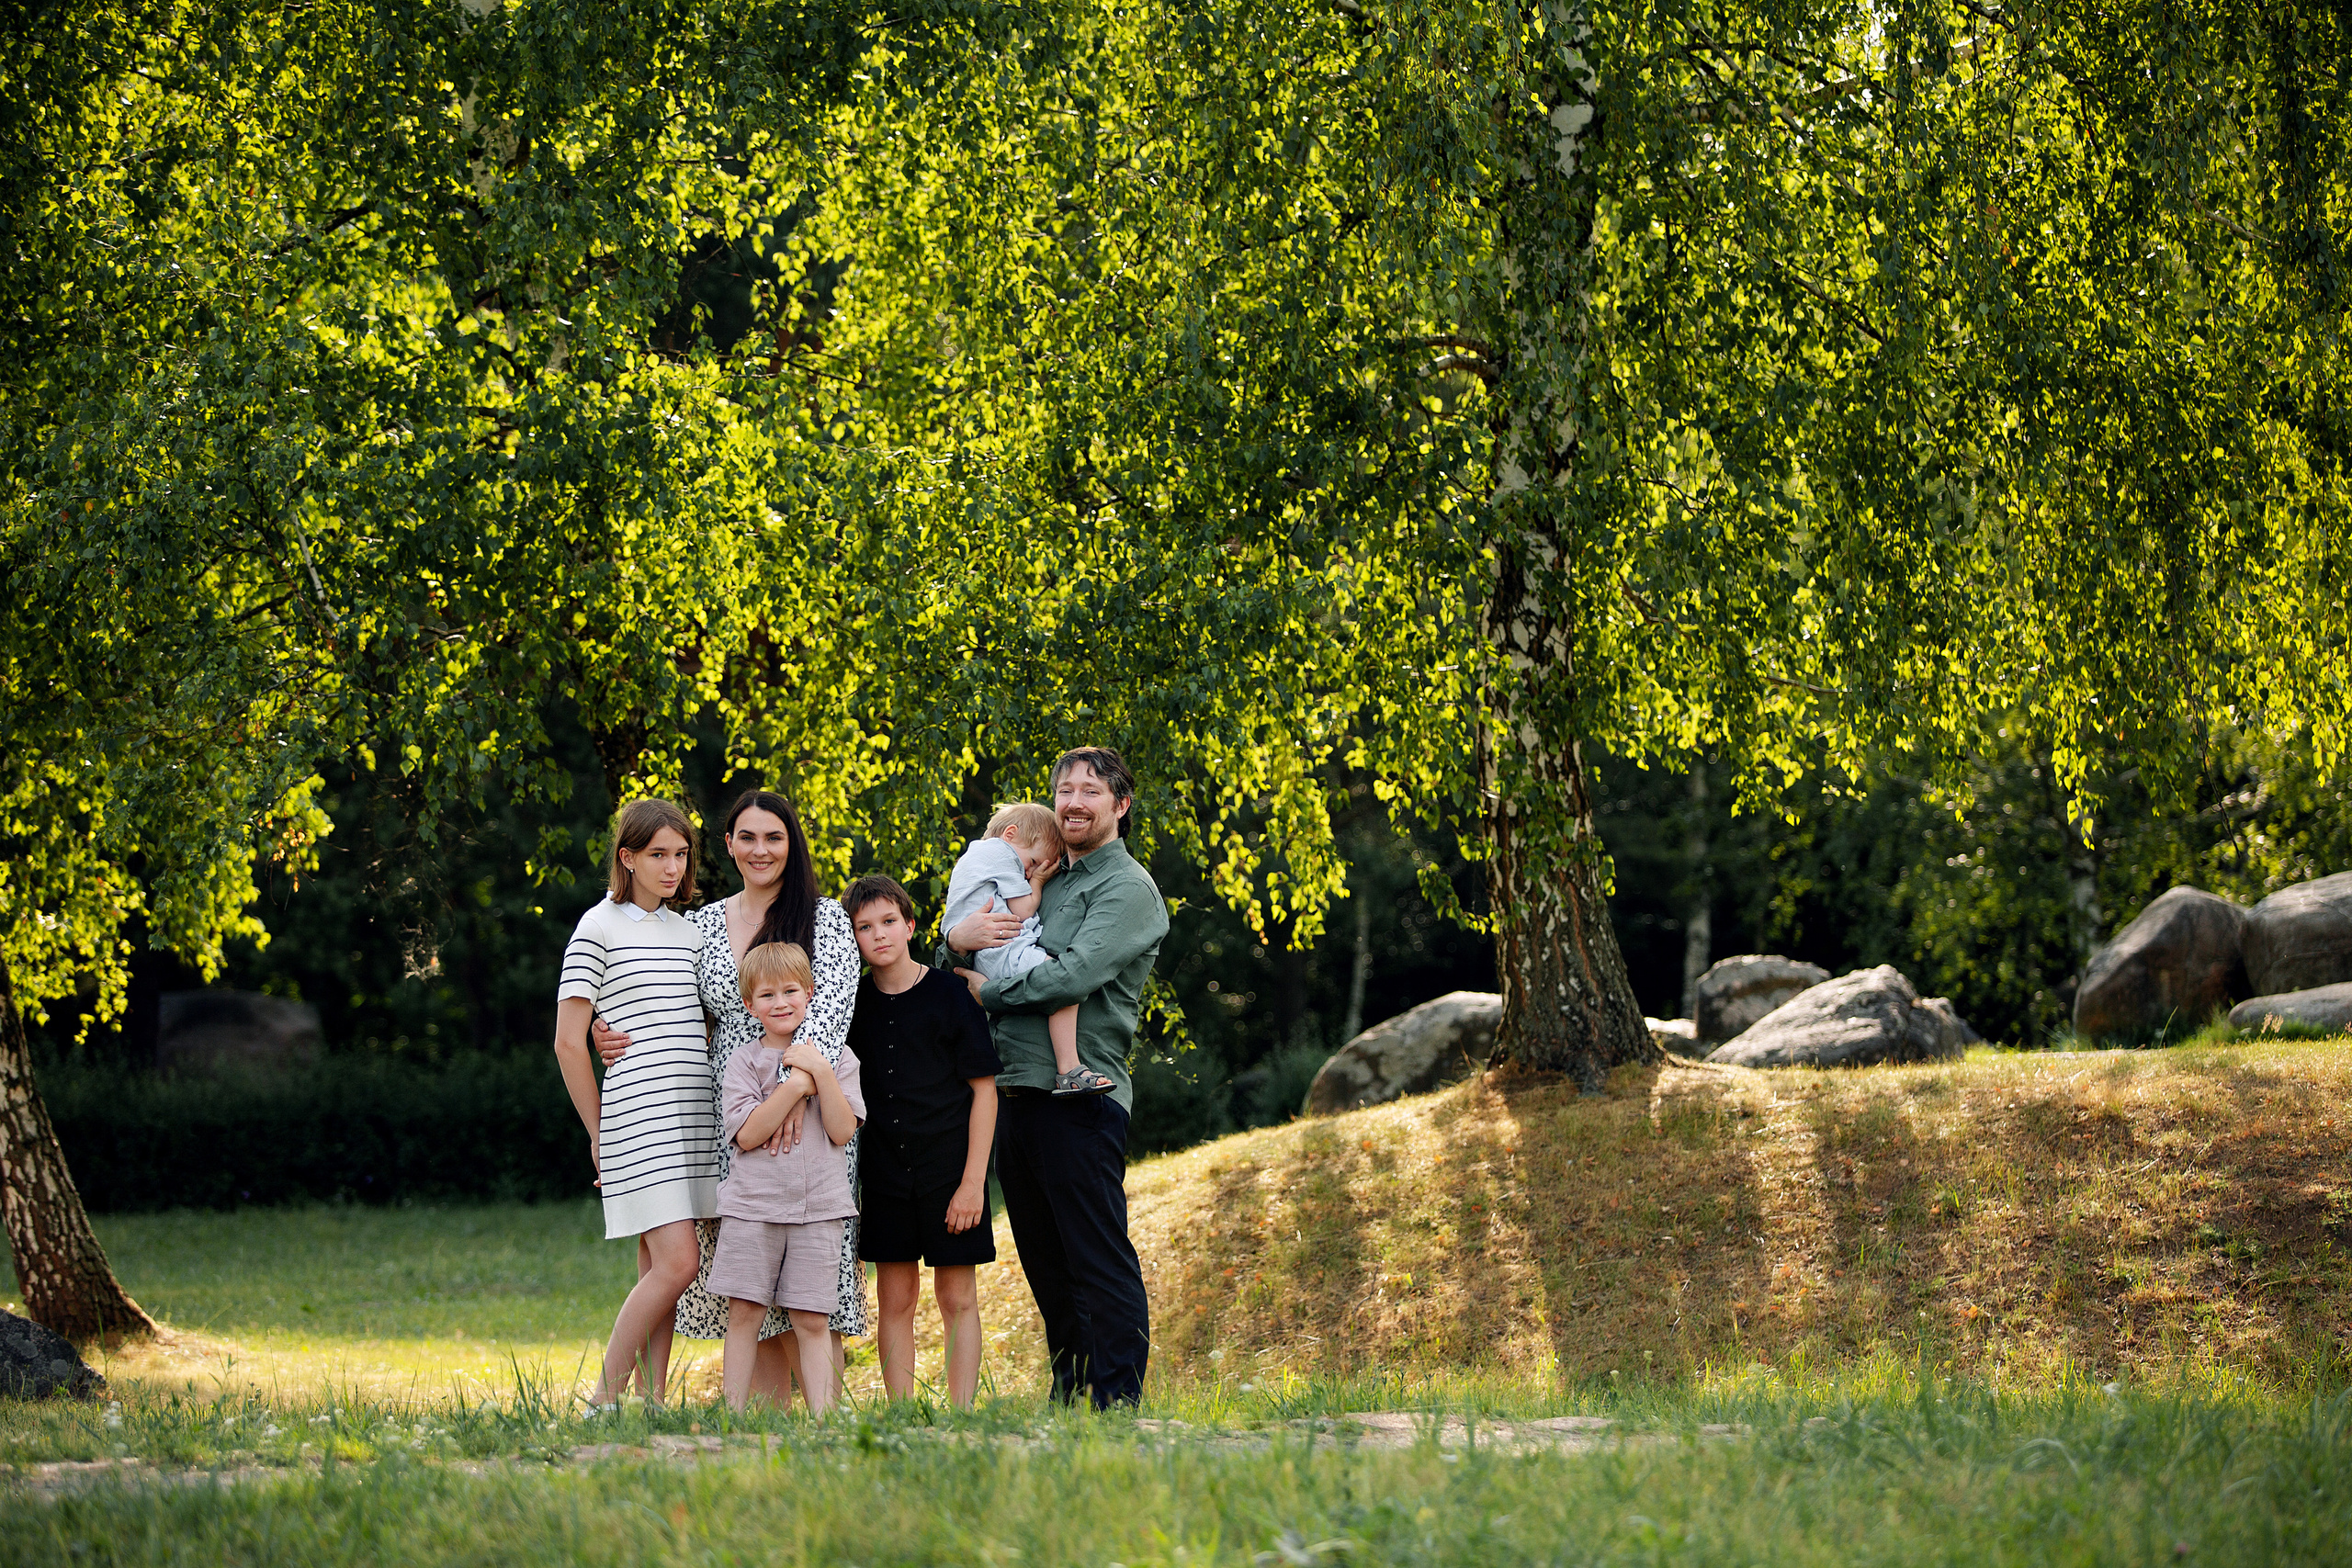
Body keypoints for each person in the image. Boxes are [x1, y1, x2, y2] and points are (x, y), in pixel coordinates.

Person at [592, 789, 865, 1404]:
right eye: (748, 836)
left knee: (814, 1282)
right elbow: (662, 996)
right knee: (752, 1282)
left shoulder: (826, 917)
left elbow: (832, 1012)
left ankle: (828, 1423)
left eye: (774, 836)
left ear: (791, 844)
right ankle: (761, 1424)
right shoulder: (703, 922)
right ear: (730, 845)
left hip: (815, 1114)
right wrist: (600, 1025)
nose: (760, 848)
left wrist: (795, 1091)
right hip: (731, 1115)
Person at [943, 746, 1167, 1408]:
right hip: (1013, 1090)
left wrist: (987, 995)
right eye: (1064, 788)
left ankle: (1117, 1402)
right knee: (1046, 1263)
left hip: (1079, 1096)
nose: (1073, 801)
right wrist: (956, 941)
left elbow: (1071, 976)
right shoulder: (1037, 875)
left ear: (1120, 805)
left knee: (1096, 1256)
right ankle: (1070, 1398)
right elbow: (967, 949)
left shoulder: (1125, 889)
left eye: (1091, 790)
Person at [552, 798, 716, 1410]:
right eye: (658, 855)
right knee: (680, 1263)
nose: (672, 867)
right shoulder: (598, 927)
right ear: (628, 857)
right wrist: (597, 1130)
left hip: (692, 1114)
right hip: (637, 1117)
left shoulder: (689, 931)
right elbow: (570, 1040)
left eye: (680, 854)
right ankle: (602, 1397)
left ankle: (651, 1404)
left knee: (660, 1271)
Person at [842, 874, 1001, 1408]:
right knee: (895, 1297)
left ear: (910, 925)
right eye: (865, 928)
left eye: (889, 922)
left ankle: (961, 1412)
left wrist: (973, 1184)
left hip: (950, 1170)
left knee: (956, 1295)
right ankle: (902, 1412)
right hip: (885, 1172)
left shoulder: (949, 994)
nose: (879, 935)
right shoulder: (852, 1004)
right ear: (854, 939)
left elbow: (985, 1092)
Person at [710, 941, 865, 1415]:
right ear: (748, 1004)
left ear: (811, 993)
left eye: (791, 991)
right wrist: (796, 1083)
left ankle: (824, 1419)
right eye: (768, 995)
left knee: (812, 1317)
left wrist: (818, 1069)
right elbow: (748, 1134)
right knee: (746, 1313)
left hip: (819, 1208)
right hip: (753, 1207)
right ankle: (733, 1415)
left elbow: (842, 1130)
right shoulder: (741, 1063)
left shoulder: (839, 1059)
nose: (780, 1003)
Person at [941, 803, 1108, 1095]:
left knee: (1060, 985)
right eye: (1032, 862)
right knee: (1065, 984)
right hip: (1002, 953)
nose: (1029, 872)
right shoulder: (999, 853)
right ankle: (1069, 1069)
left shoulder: (974, 857)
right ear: (1010, 834)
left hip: (986, 955)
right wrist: (1040, 882)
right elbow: (1022, 907)